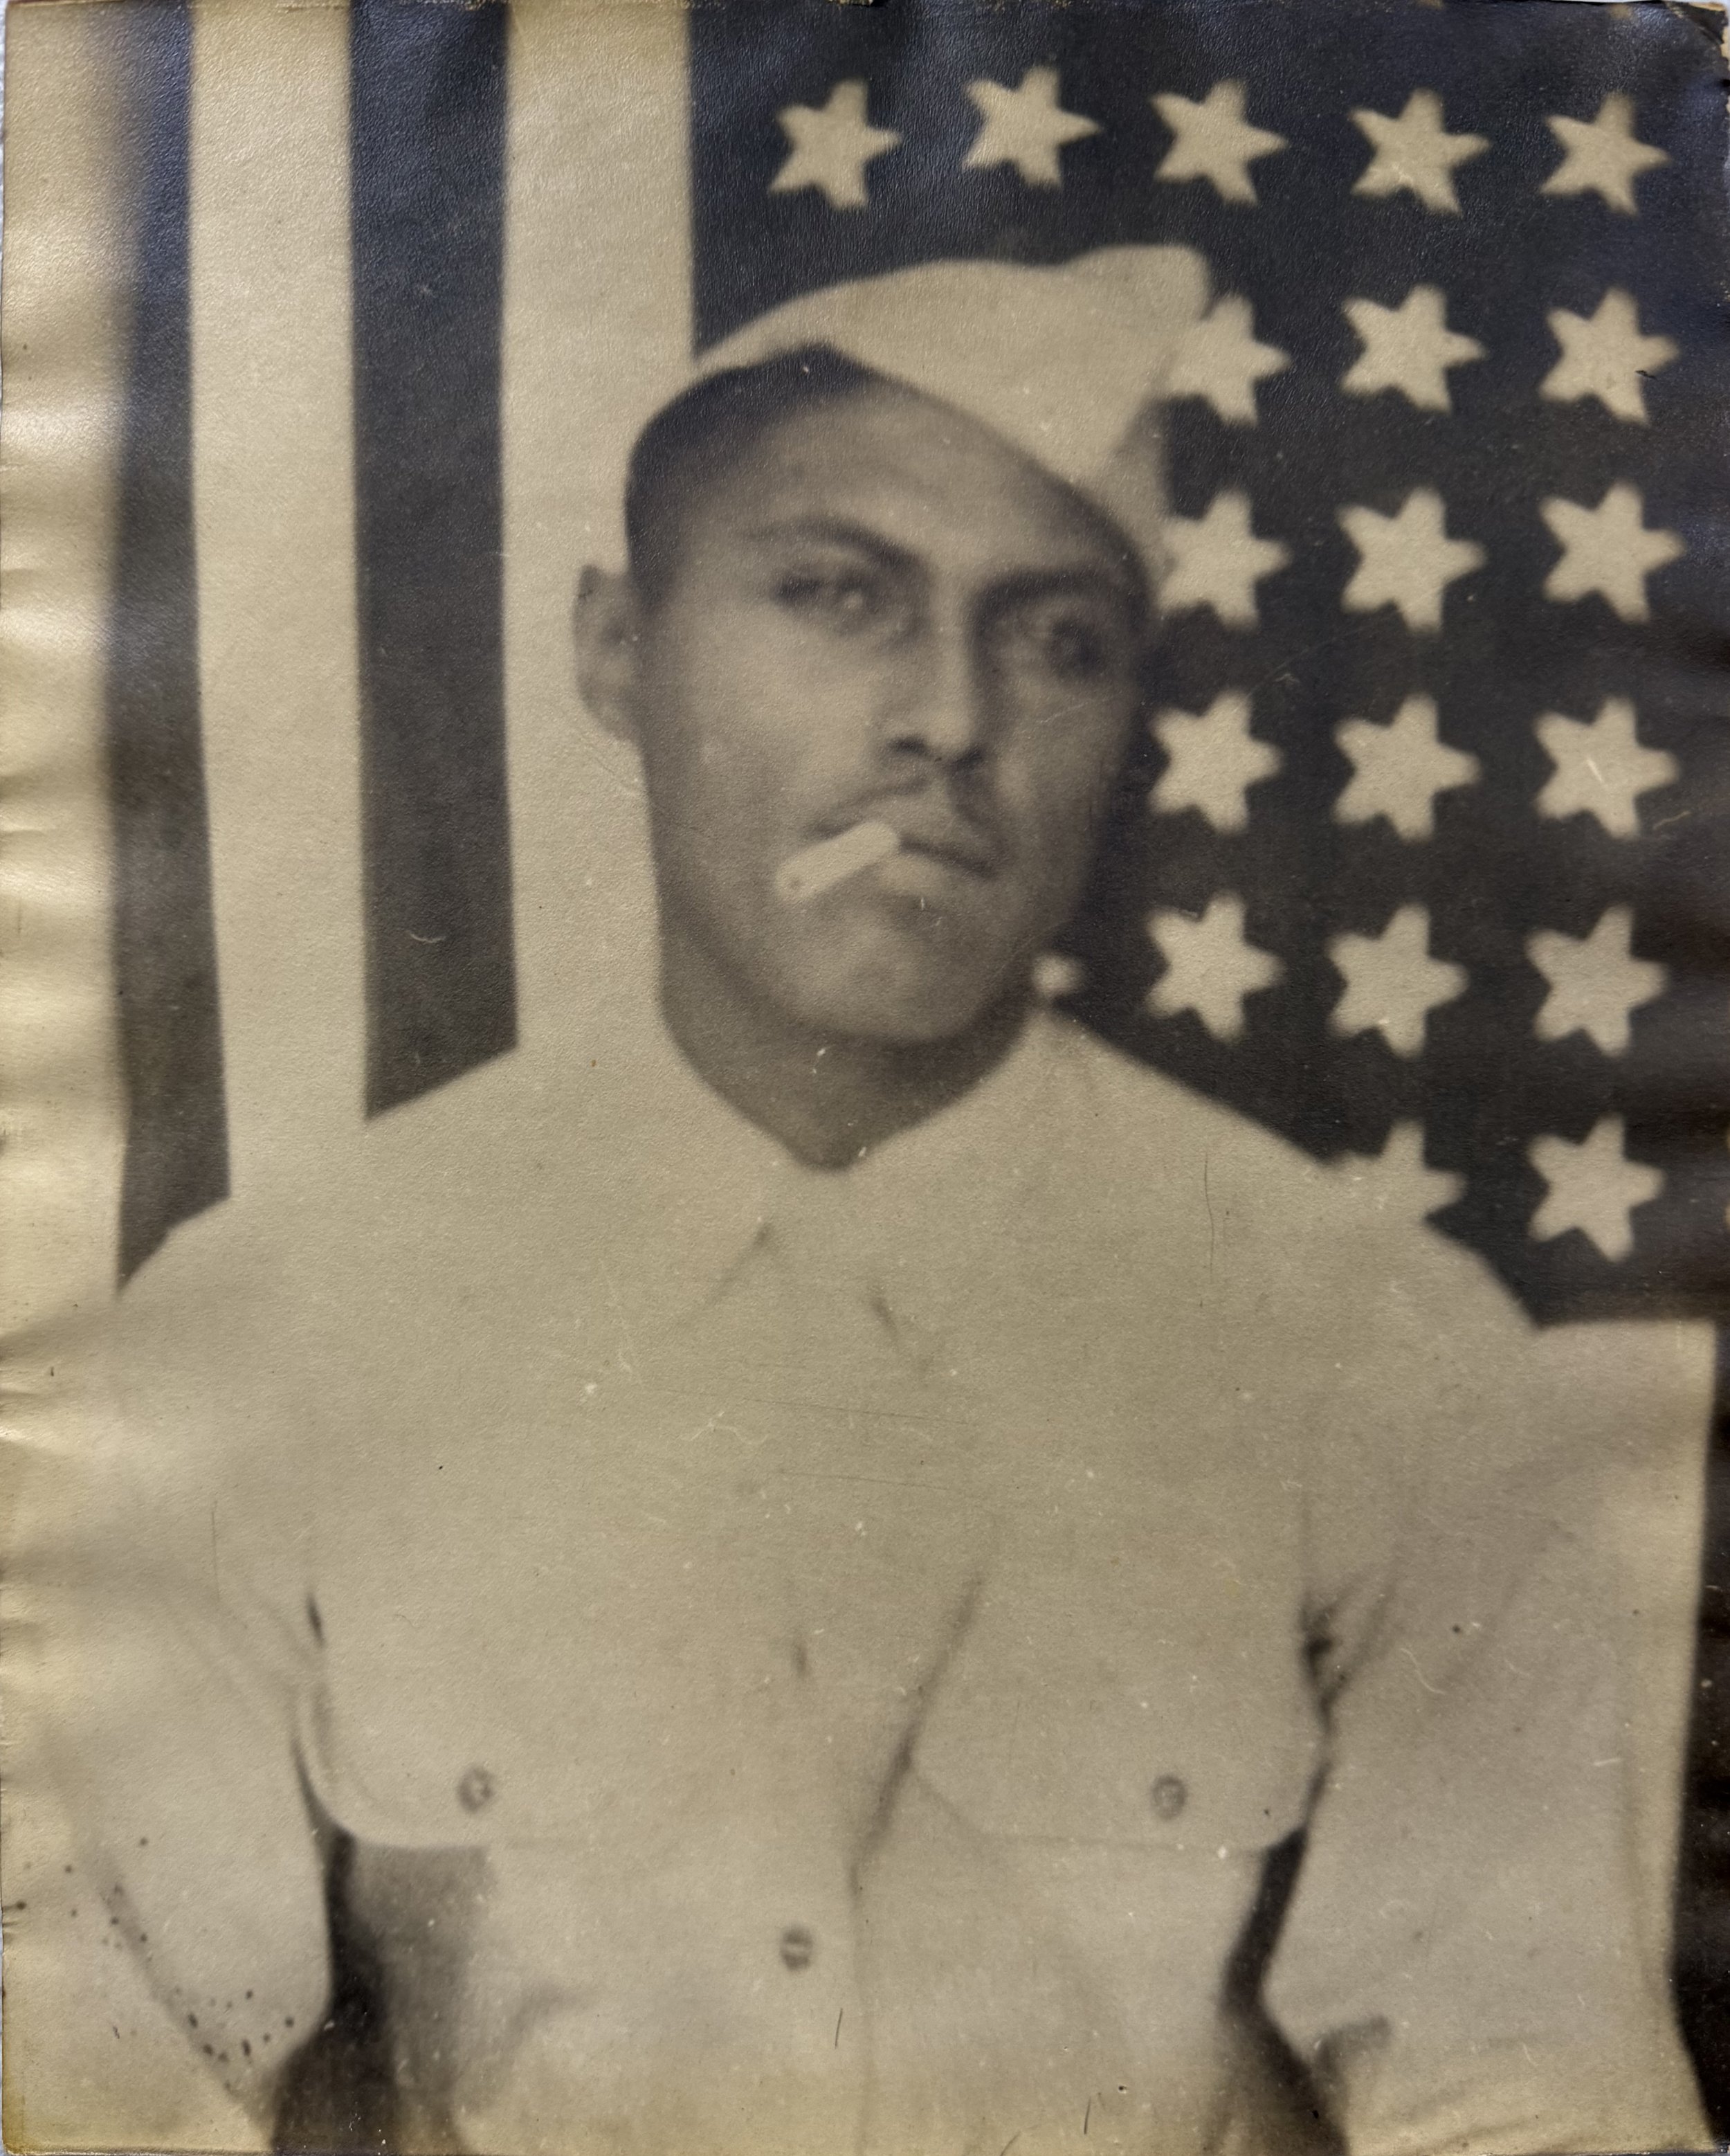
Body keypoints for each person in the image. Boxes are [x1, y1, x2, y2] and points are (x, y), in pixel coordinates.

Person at [10, 247, 1716, 2156]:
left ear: (1123, 733)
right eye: (838, 597)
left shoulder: (1371, 1345)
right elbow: (104, 2090)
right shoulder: (278, 1322)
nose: (947, 719)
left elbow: (1526, 2108)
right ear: (611, 647)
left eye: (1056, 638)